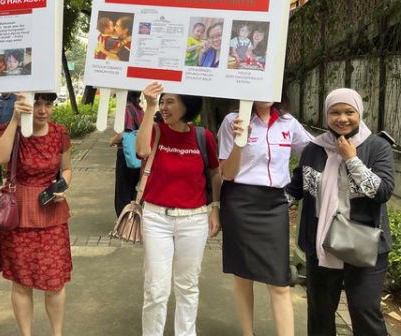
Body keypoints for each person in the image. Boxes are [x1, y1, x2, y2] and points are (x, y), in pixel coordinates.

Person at [285, 88, 395, 335]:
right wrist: (260, 207)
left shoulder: (377, 147)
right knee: (320, 313)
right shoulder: (314, 149)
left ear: (360, 113)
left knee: (364, 310)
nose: (342, 118)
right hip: (321, 241)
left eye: (349, 112)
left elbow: (383, 191)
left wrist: (352, 160)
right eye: (335, 112)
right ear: (327, 115)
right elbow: (297, 187)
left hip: (364, 243)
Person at [217, 100, 312, 336]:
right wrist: (240, 142)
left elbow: (315, 150)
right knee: (242, 276)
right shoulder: (232, 121)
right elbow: (227, 173)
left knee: (279, 282)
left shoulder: (288, 122)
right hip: (240, 202)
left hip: (274, 204)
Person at [135, 81, 221, 336]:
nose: (164, 106)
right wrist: (150, 107)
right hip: (155, 218)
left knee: (188, 285)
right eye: (163, 101)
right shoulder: (154, 130)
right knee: (156, 289)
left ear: (188, 104)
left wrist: (214, 207)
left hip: (193, 220)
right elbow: (141, 150)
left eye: (169, 101)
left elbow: (215, 174)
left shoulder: (202, 137)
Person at [0, 92, 73, 336]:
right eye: (37, 104)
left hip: (52, 212)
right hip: (18, 213)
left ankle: (57, 334)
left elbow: (66, 170)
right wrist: (14, 120)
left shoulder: (59, 132)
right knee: (22, 282)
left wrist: (61, 187)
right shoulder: (10, 130)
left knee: (54, 282)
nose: (43, 110)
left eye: (48, 104)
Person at [109, 90, 144, 217]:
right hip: (139, 155)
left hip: (126, 154)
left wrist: (113, 140)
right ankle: (134, 217)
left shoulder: (126, 110)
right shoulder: (140, 110)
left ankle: (123, 221)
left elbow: (124, 134)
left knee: (123, 189)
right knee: (134, 188)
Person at [0, 93, 17, 185]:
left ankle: (13, 178)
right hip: (1, 131)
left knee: (14, 154)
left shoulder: (16, 99)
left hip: (14, 130)